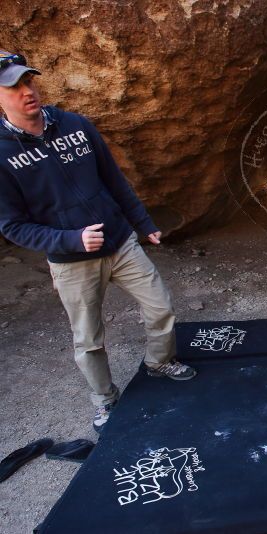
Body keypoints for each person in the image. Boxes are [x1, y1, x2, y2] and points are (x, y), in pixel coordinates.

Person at [0, 50, 196, 432]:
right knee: (88, 338)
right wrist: (71, 239)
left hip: (121, 243)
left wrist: (142, 222)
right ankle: (106, 402)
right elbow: (12, 226)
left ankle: (159, 362)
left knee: (161, 307)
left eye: (29, 81)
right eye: (14, 87)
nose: (27, 91)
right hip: (71, 261)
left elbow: (113, 179)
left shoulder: (74, 124)